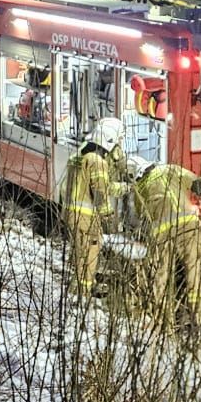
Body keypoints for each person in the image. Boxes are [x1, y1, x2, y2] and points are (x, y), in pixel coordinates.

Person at [131, 155, 201, 317]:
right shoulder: (170, 169)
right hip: (190, 228)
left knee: (160, 280)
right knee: (196, 278)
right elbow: (199, 185)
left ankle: (163, 327)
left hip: (162, 235)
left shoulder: (138, 189)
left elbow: (142, 218)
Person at [62, 118, 131, 293]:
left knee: (80, 250)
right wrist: (108, 215)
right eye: (118, 141)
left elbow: (97, 185)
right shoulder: (98, 162)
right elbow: (100, 191)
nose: (119, 146)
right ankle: (85, 291)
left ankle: (78, 287)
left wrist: (124, 188)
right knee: (90, 251)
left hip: (71, 212)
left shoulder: (78, 156)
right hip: (87, 215)